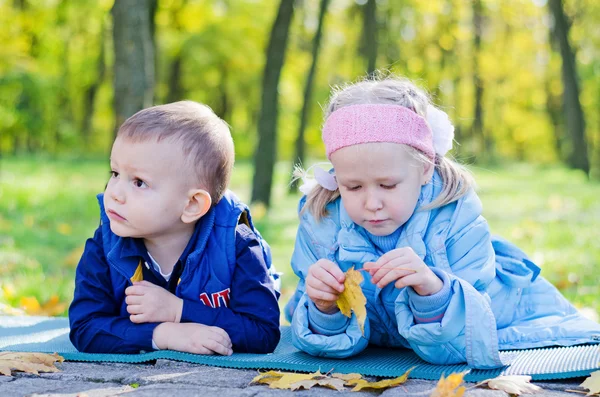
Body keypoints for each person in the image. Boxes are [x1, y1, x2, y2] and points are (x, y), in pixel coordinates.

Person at [284, 76, 600, 369]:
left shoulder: (457, 220)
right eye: (353, 187)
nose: (372, 202)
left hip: (499, 309)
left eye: (388, 185)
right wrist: (323, 310)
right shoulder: (321, 223)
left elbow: (464, 343)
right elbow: (313, 343)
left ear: (424, 170)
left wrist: (432, 291)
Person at [69, 101, 281, 355]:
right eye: (115, 173)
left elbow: (263, 332)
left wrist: (178, 310)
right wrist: (164, 334)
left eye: (138, 182)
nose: (114, 193)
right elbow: (84, 327)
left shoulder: (237, 244)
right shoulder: (106, 242)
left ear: (192, 204)